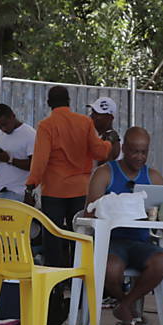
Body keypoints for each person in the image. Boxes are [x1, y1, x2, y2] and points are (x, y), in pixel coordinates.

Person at [83, 126, 163, 325]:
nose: (139, 157)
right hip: (111, 242)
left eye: (144, 152)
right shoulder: (105, 173)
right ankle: (128, 305)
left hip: (141, 243)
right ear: (123, 148)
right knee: (111, 270)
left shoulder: (155, 178)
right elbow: (89, 212)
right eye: (134, 151)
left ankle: (125, 305)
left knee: (162, 260)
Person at [25, 86, 111, 267]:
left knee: (53, 237)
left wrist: (31, 185)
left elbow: (40, 160)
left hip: (54, 191)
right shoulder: (84, 122)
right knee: (79, 236)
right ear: (69, 102)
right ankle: (79, 282)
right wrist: (109, 144)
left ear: (49, 103)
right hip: (80, 189)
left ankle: (55, 285)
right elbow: (98, 152)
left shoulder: (46, 126)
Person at [0, 104, 35, 201]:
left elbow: (34, 166)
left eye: (5, 124)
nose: (3, 129)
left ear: (13, 116)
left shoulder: (29, 134)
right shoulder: (0, 135)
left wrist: (9, 159)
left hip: (18, 193)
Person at [87, 97, 121, 165]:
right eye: (93, 112)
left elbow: (104, 166)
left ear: (110, 118)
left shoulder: (114, 140)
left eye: (97, 113)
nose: (92, 116)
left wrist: (109, 142)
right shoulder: (93, 135)